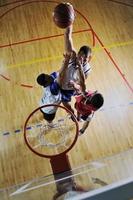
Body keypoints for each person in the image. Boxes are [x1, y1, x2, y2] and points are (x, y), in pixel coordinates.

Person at [57, 24, 92, 112]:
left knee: (76, 104)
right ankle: (71, 112)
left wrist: (75, 85)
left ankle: (74, 113)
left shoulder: (87, 69)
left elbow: (81, 85)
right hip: (60, 83)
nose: (82, 59)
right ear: (78, 54)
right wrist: (69, 22)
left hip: (71, 88)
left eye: (85, 58)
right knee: (64, 104)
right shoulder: (73, 55)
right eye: (81, 56)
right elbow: (68, 36)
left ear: (89, 59)